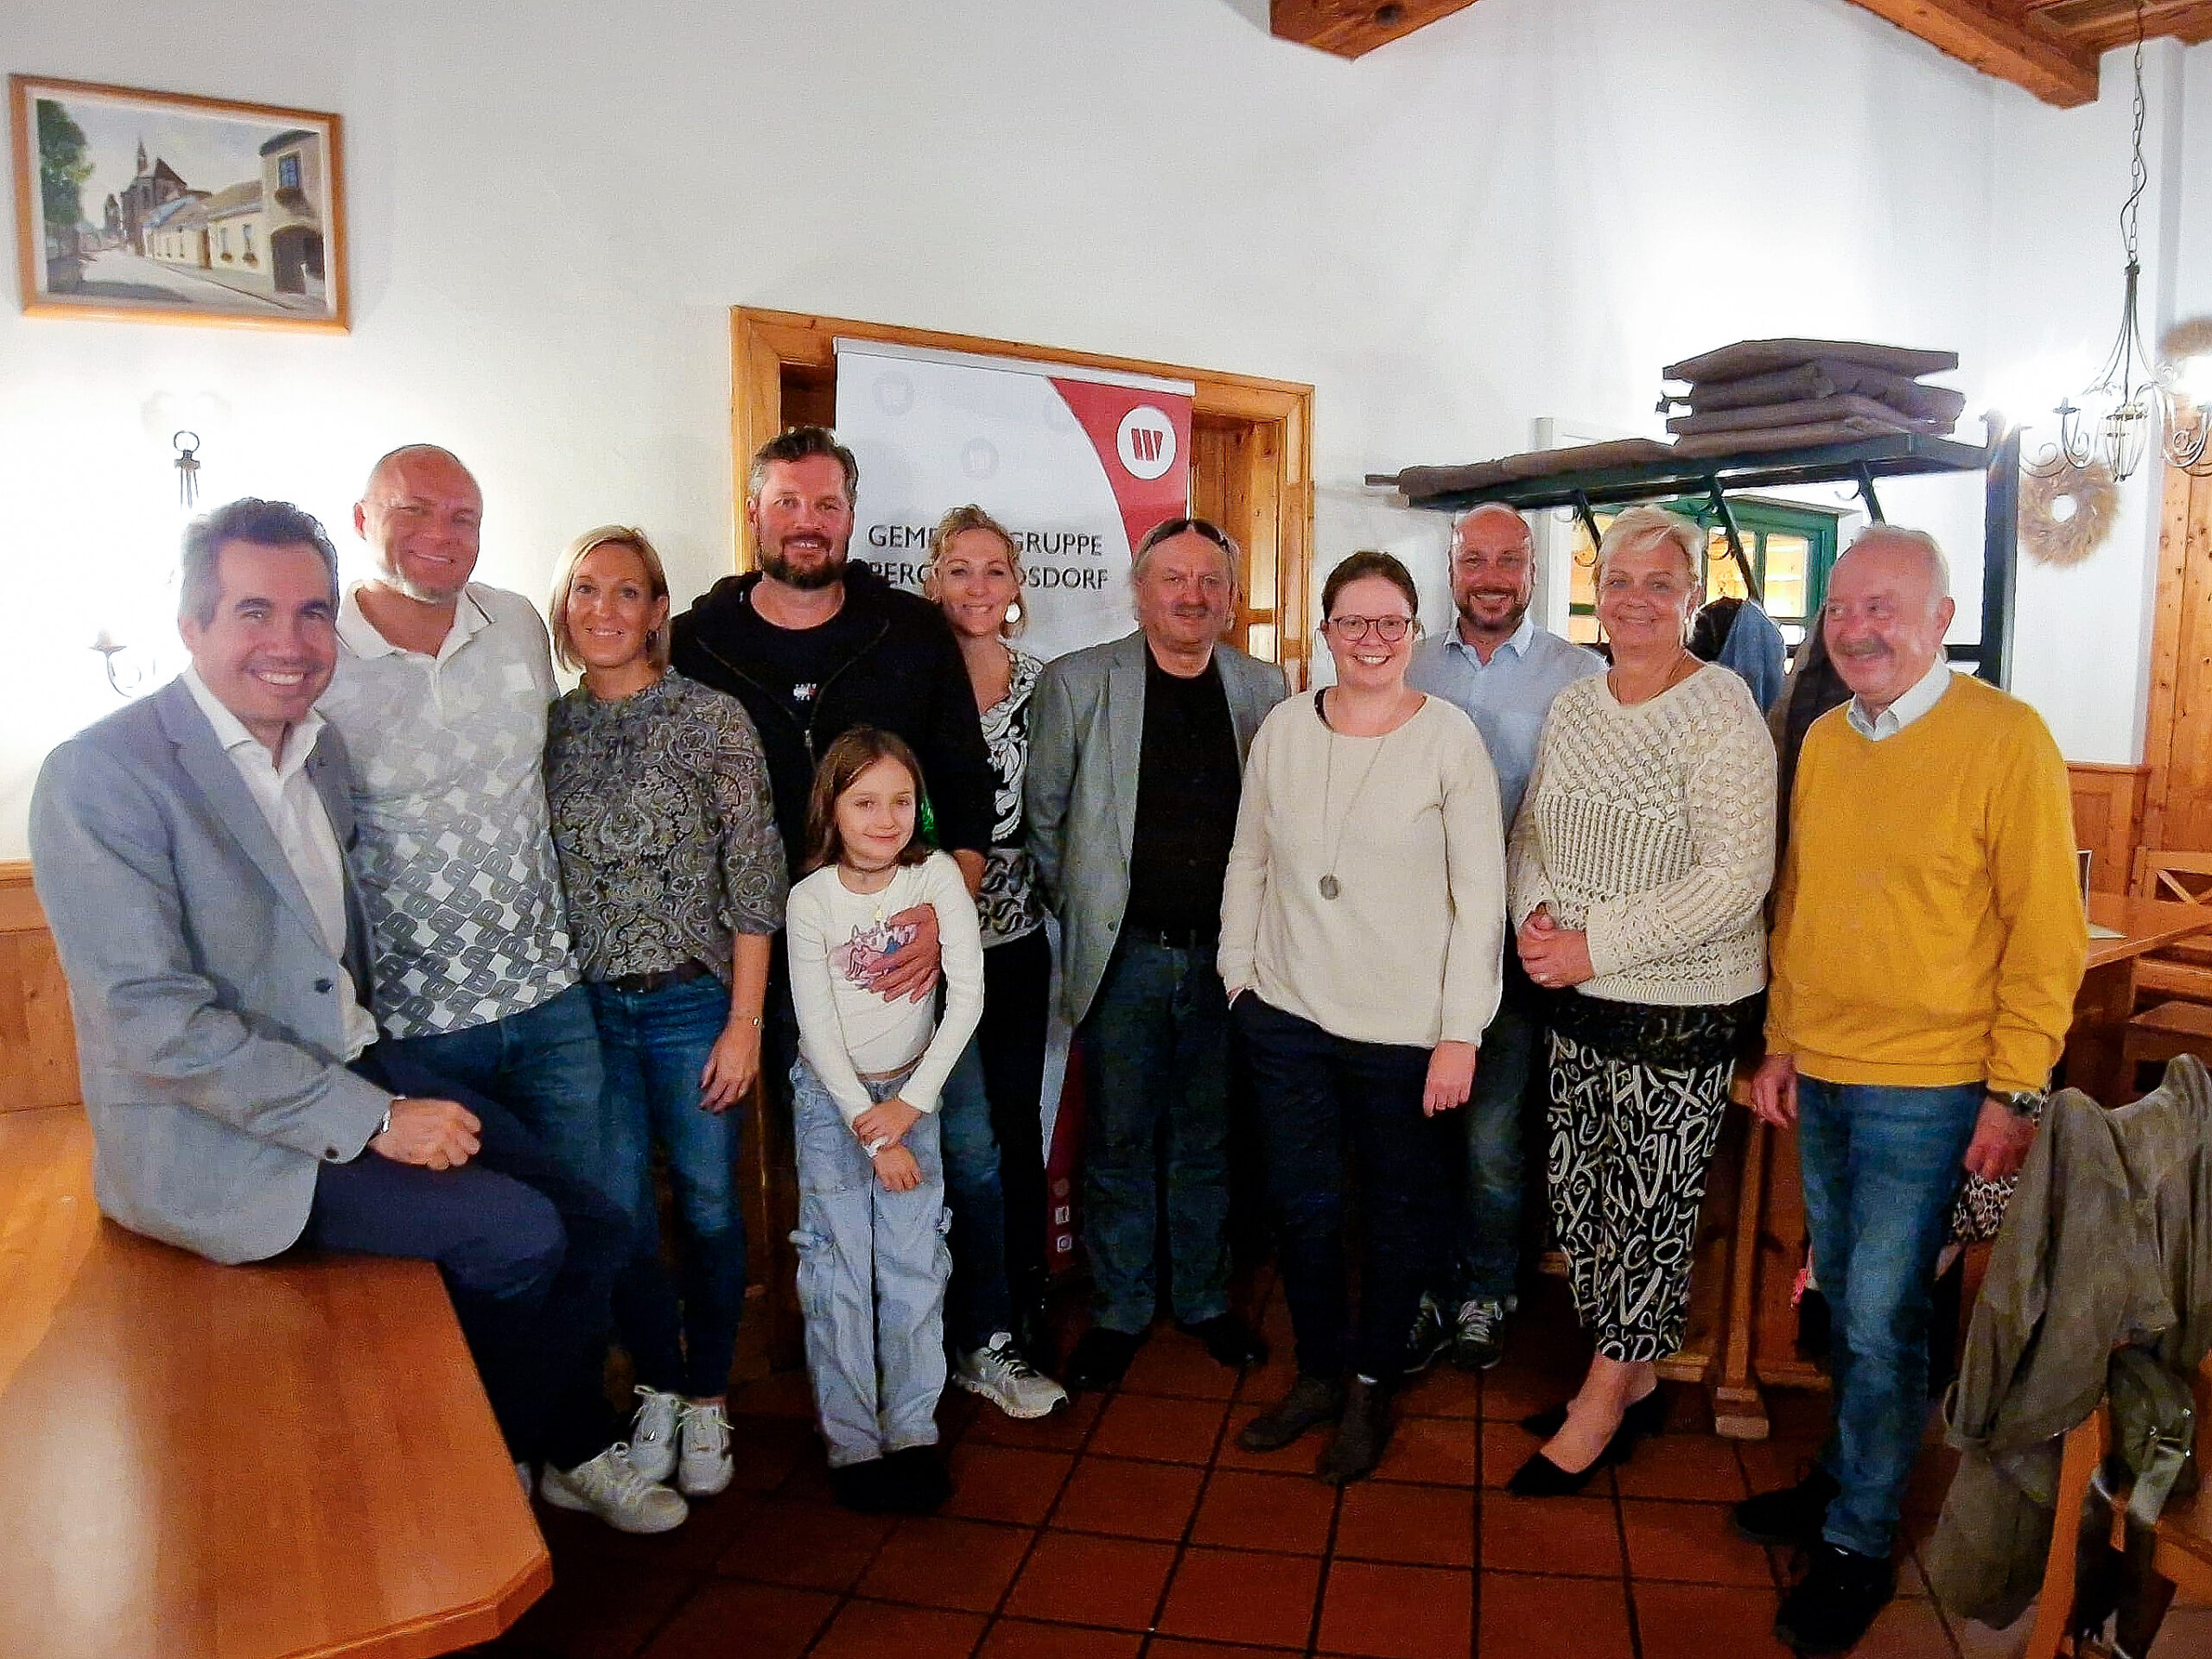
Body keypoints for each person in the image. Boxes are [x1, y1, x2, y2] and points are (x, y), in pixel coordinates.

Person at [29, 499, 683, 1535]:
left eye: (311, 614)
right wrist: (378, 1119)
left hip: (353, 1074)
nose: (288, 643)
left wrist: (384, 1090)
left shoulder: (316, 748)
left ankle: (537, 1446)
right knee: (516, 1235)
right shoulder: (102, 775)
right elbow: (150, 1024)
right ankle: (485, 1462)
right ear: (191, 625)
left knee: (599, 1221)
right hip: (229, 1142)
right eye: (254, 611)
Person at [1738, 525, 2085, 1656]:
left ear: (1939, 620)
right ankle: (1848, 1476)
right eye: (1841, 609)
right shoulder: (1829, 739)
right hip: (1827, 1075)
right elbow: (1801, 907)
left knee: (1881, 1323)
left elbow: (2047, 936)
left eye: (1884, 608)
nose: (1857, 629)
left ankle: (1855, 1542)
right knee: (1848, 1304)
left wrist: (2015, 1092)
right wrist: (1783, 1042)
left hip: (1931, 1090)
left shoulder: (2006, 740)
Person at [670, 427, 1056, 1421]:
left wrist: (941, 923)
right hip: (779, 960)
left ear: (851, 515)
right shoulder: (701, 642)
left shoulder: (905, 631)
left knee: (963, 1154)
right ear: (755, 510)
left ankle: (980, 1341)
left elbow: (965, 795)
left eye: (827, 505)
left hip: (916, 965)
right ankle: (852, 1381)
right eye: (789, 503)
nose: (808, 523)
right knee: (828, 1170)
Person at [1504, 505, 1775, 1496]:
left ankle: (1600, 1401)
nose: (1636, 601)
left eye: (1660, 584)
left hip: (1678, 1006)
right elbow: (1531, 828)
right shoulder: (1575, 703)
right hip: (1574, 1001)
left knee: (1644, 1212)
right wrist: (1534, 916)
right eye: (1619, 582)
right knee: (1579, 1206)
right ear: (1597, 594)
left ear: (1691, 599)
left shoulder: (1722, 709)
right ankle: (1639, 1372)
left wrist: (1593, 944)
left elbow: (1734, 874)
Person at [1222, 551, 1504, 1484]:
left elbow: (1482, 900)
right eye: (1353, 622)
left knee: (1394, 1219)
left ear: (1415, 634)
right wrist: (1239, 980)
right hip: (1290, 1014)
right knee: (1303, 1211)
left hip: (1404, 1031)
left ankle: (1374, 1382)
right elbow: (1249, 861)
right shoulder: (1282, 730)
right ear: (1326, 632)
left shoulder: (1450, 738)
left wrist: (1460, 1030)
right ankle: (1317, 1373)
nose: (1372, 640)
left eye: (1390, 624)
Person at [543, 525, 787, 1498]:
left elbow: (756, 876)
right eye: (588, 590)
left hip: (695, 1004)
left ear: (657, 610)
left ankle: (706, 1397)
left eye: (628, 591)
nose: (606, 609)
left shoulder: (711, 718)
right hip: (586, 1015)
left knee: (714, 1208)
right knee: (624, 1217)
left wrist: (745, 1021)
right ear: (566, 608)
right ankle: (653, 1384)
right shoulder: (551, 726)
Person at [1027, 516, 1286, 1389]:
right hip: (1125, 956)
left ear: (1229, 597)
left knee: (1208, 1138)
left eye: (1211, 581)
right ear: (1138, 591)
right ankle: (1121, 1309)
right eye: (1173, 579)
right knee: (1120, 1139)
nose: (1192, 596)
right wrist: (1093, 914)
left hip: (1227, 956)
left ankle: (1206, 1300)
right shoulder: (1078, 682)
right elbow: (1047, 819)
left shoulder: (1263, 685)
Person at [317, 445, 605, 1183]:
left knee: (598, 1217)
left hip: (550, 999)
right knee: (480, 1249)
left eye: (462, 517)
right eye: (412, 509)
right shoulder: (318, 654)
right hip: (413, 1026)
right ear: (360, 519)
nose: (440, 532)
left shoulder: (515, 622)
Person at [1405, 502, 1602, 1371]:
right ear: (1451, 570)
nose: (1491, 577)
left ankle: (1485, 1290)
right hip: (1410, 947)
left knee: (1492, 1139)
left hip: (1517, 947)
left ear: (1533, 571)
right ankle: (1419, 1287)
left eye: (1509, 562)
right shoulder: (1405, 665)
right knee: (1415, 1133)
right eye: (1474, 560)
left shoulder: (1580, 676)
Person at [785, 728, 985, 1514]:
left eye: (902, 801)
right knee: (839, 1272)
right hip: (836, 1106)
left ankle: (911, 1430)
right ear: (832, 809)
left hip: (913, 1098)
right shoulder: (811, 900)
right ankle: (852, 1442)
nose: (886, 818)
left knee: (911, 1267)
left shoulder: (935, 877)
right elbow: (817, 1030)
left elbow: (965, 999)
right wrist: (872, 1128)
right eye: (865, 802)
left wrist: (909, 1106)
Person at [923, 505, 1058, 1368]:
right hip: (918, 946)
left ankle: (1017, 1304)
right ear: (933, 582)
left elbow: (1060, 811)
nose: (978, 586)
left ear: (1015, 587)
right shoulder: (906, 673)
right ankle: (933, 1310)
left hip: (1011, 938)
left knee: (1009, 1125)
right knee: (936, 1133)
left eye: (994, 570)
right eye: (960, 569)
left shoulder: (1042, 683)